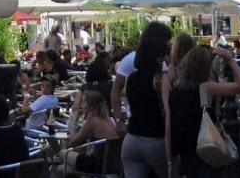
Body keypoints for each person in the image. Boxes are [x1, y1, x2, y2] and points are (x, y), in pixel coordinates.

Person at [166, 45, 240, 178]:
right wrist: (230, 59)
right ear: (206, 67)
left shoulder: (175, 90)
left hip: (184, 150)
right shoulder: (206, 88)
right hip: (205, 147)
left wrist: (171, 159)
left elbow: (171, 125)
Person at [120, 28, 171, 178]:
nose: (163, 60)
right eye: (161, 57)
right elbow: (167, 110)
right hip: (155, 138)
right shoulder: (160, 80)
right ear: (155, 58)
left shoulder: (131, 78)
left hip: (132, 138)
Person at [113, 21, 172, 129]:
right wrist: (118, 120)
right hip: (142, 122)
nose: (167, 45)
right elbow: (116, 89)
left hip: (155, 124)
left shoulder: (163, 59)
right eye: (166, 41)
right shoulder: (130, 60)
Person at [64, 88, 119, 174]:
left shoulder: (92, 121)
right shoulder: (110, 119)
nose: (81, 105)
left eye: (84, 102)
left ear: (92, 106)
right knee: (65, 168)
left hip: (96, 165)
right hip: (111, 165)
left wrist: (74, 120)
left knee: (61, 153)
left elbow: (72, 142)